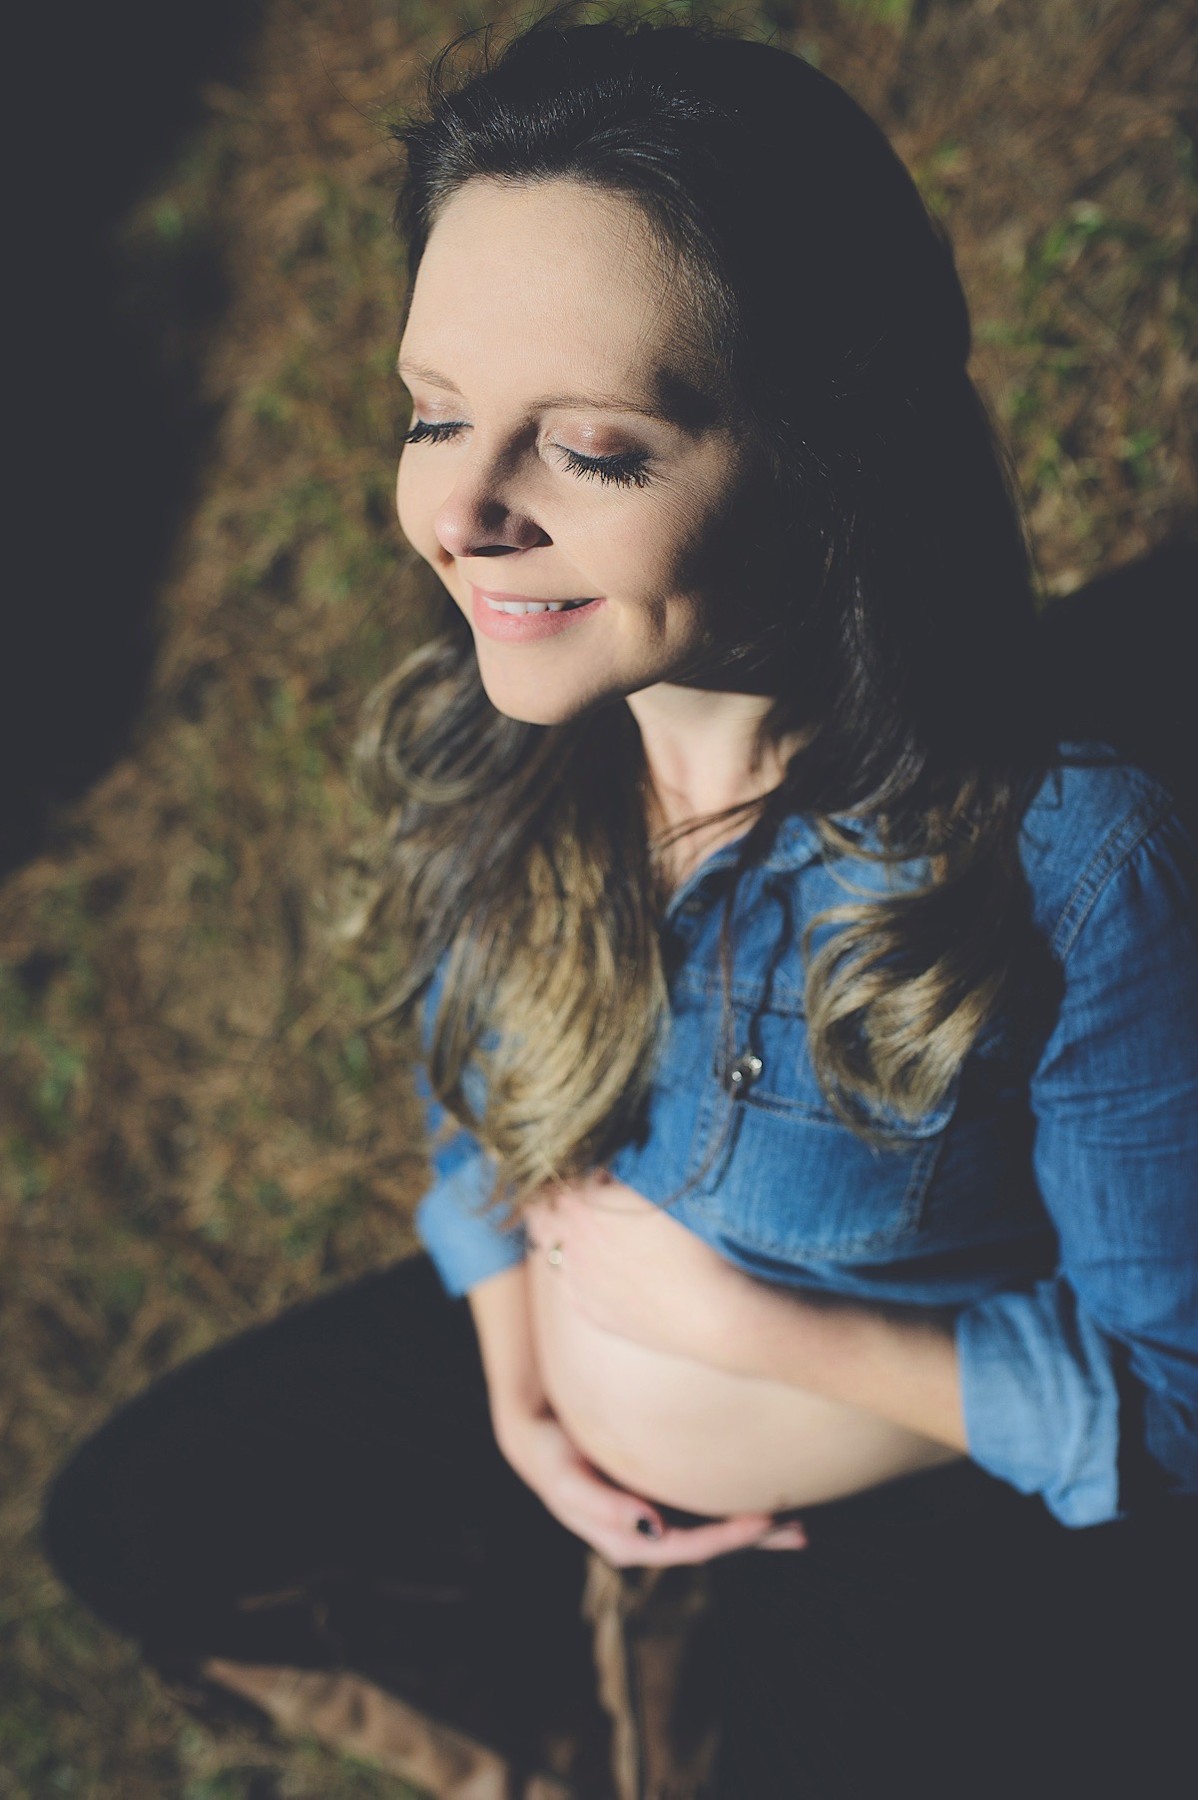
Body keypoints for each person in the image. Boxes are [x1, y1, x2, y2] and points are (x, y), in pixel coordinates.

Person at [41, 6, 1198, 1797]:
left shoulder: (1059, 860)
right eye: (433, 415)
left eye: (587, 447)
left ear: (828, 459)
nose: (461, 512)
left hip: (870, 1525)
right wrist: (516, 1363)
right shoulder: (497, 735)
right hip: (556, 1422)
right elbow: (468, 1108)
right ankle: (584, 1725)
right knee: (136, 1520)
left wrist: (750, 1332)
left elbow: (1169, 1403)